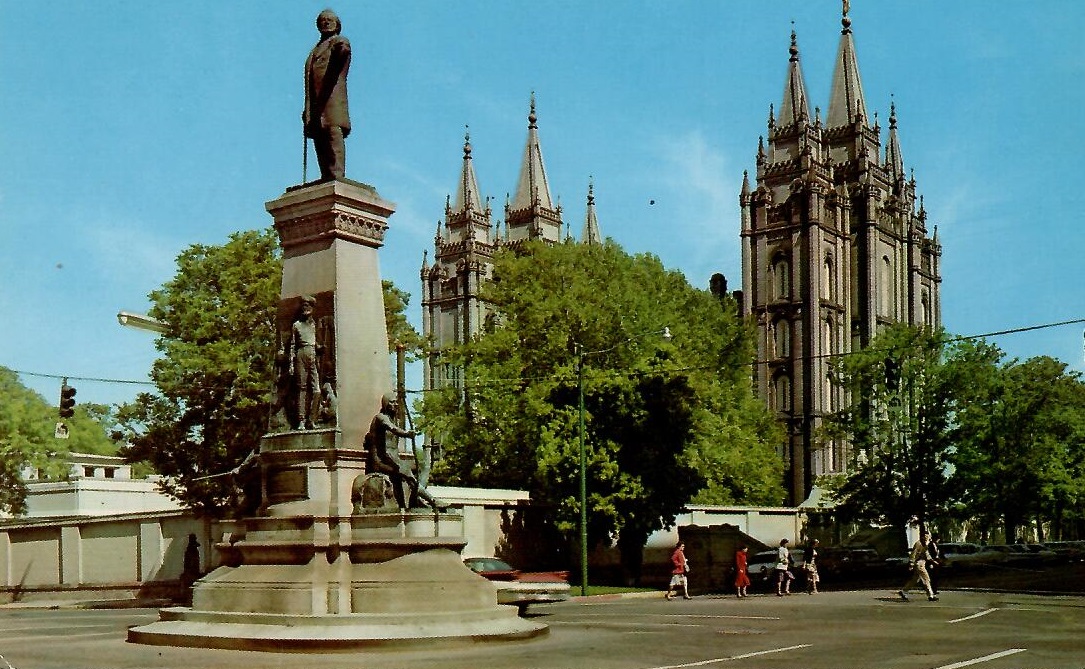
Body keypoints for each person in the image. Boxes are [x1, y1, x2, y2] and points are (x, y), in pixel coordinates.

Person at [366, 393, 443, 511]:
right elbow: (392, 428)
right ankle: (432, 500)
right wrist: (407, 434)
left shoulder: (395, 419)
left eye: (396, 402)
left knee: (424, 466)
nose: (395, 404)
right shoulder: (381, 418)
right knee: (406, 470)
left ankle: (415, 499)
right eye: (392, 402)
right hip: (381, 461)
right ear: (385, 403)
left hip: (394, 458)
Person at [303, 8, 351, 181]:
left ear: (337, 24)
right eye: (322, 20)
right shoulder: (314, 51)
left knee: (333, 132)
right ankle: (326, 174)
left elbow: (343, 49)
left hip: (331, 97)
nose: (326, 22)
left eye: (330, 19)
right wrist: (307, 110)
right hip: (315, 103)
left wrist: (341, 45)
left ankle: (337, 173)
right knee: (320, 137)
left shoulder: (338, 42)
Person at [287, 296, 320, 430]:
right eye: (304, 306)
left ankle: (311, 420)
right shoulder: (296, 325)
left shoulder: (314, 325)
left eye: (308, 306)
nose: (306, 308)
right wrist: (291, 364)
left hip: (312, 354)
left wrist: (319, 347)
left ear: (312, 308)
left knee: (317, 390)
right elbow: (293, 345)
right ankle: (301, 420)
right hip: (301, 355)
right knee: (302, 388)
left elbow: (314, 341)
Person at [898, 530, 938, 601]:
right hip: (919, 563)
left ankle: (904, 591)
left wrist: (932, 561)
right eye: (925, 536)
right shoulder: (918, 544)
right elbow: (913, 554)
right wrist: (911, 564)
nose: (926, 538)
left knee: (915, 580)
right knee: (926, 578)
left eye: (927, 536)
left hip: (922, 563)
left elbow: (926, 554)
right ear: (922, 536)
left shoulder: (924, 544)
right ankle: (931, 595)